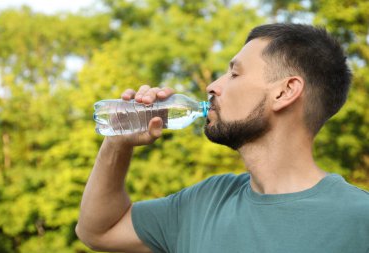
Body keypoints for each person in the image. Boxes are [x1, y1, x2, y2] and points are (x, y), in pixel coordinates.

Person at [75, 23, 369, 253]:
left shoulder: (359, 220)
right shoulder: (205, 201)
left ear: (285, 92)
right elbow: (97, 231)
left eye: (234, 74)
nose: (213, 86)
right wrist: (118, 142)